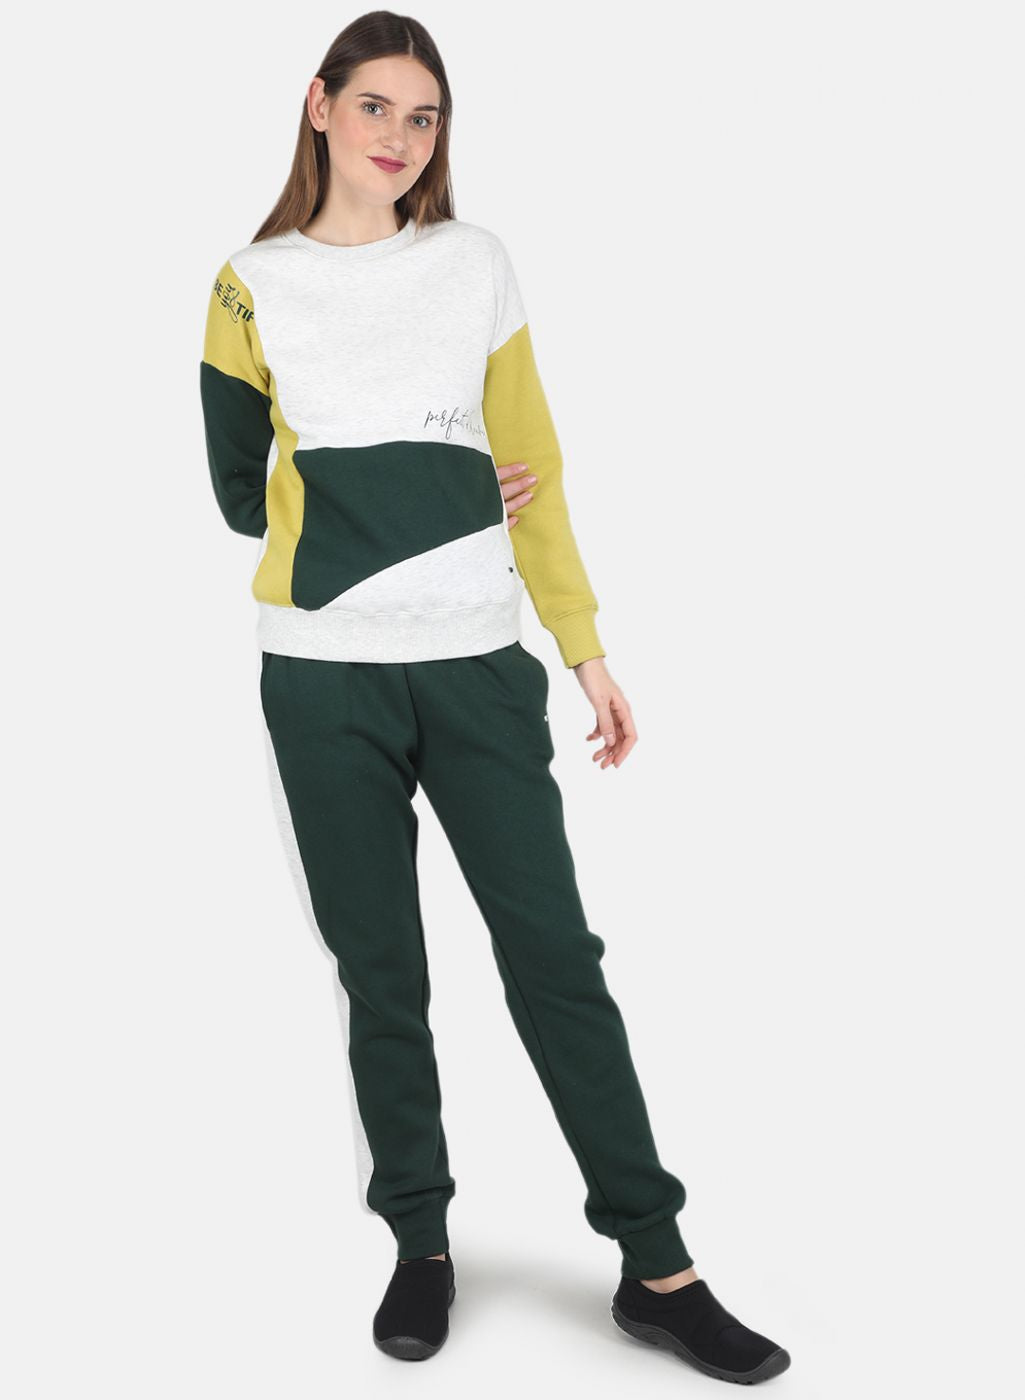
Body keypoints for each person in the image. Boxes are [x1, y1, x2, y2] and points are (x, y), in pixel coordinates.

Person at [199, 10, 790, 1384]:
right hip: (321, 682)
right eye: (376, 107)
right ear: (319, 106)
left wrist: (583, 647)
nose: (400, 138)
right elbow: (240, 499)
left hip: (477, 669)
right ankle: (420, 1244)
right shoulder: (246, 286)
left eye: (425, 117)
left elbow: (536, 465)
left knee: (555, 961)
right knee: (381, 975)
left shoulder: (474, 265)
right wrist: (440, 487)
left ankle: (658, 1265)